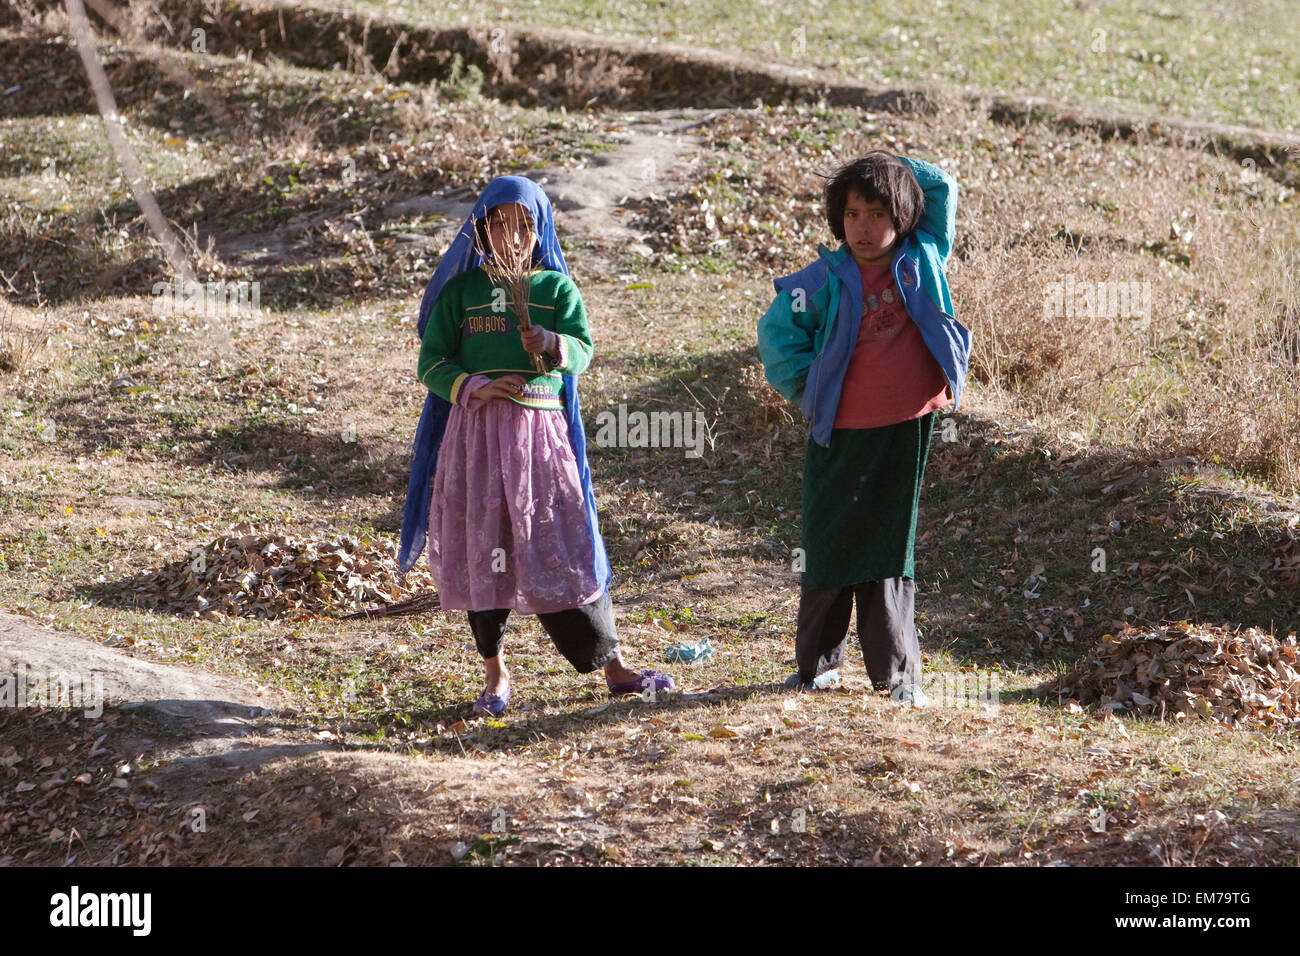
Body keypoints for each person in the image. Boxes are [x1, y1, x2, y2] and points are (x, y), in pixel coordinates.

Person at [398, 176, 673, 716]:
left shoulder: (554, 290)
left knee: (563, 541)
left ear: (540, 229)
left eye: (524, 225)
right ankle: (496, 674)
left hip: (539, 439)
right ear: (480, 233)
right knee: (486, 548)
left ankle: (612, 666)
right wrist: (474, 385)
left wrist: (551, 344)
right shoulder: (461, 294)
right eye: (499, 225)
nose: (512, 236)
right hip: (475, 439)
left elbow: (584, 350)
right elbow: (430, 363)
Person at [756, 152, 972, 703]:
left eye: (879, 213)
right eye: (852, 213)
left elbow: (940, 184)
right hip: (840, 430)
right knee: (828, 543)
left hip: (906, 424)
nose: (864, 228)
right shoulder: (823, 279)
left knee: (887, 546)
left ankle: (896, 678)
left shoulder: (922, 256)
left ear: (903, 218)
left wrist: (887, 166)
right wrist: (813, 388)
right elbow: (777, 336)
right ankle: (817, 667)